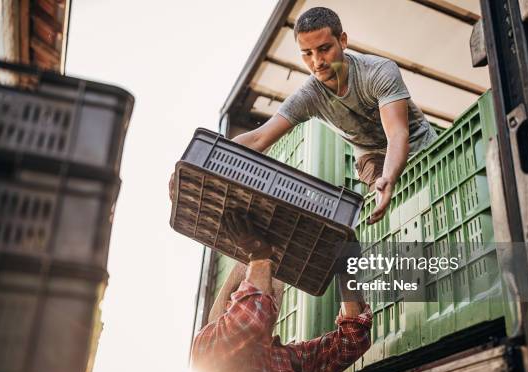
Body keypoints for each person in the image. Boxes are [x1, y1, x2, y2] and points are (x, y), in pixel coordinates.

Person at [170, 6, 437, 224]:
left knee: (432, 198)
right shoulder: (310, 95)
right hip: (370, 156)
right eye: (306, 54)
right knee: (396, 212)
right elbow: (257, 139)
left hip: (417, 143)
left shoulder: (378, 72)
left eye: (324, 49)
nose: (317, 62)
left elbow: (397, 133)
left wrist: (390, 177)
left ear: (342, 41)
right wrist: (194, 163)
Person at [188, 212, 372, 372]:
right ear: (229, 305)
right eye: (264, 294)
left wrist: (345, 270)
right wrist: (258, 259)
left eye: (272, 297)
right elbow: (250, 320)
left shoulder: (294, 360)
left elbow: (353, 339)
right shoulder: (207, 346)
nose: (270, 301)